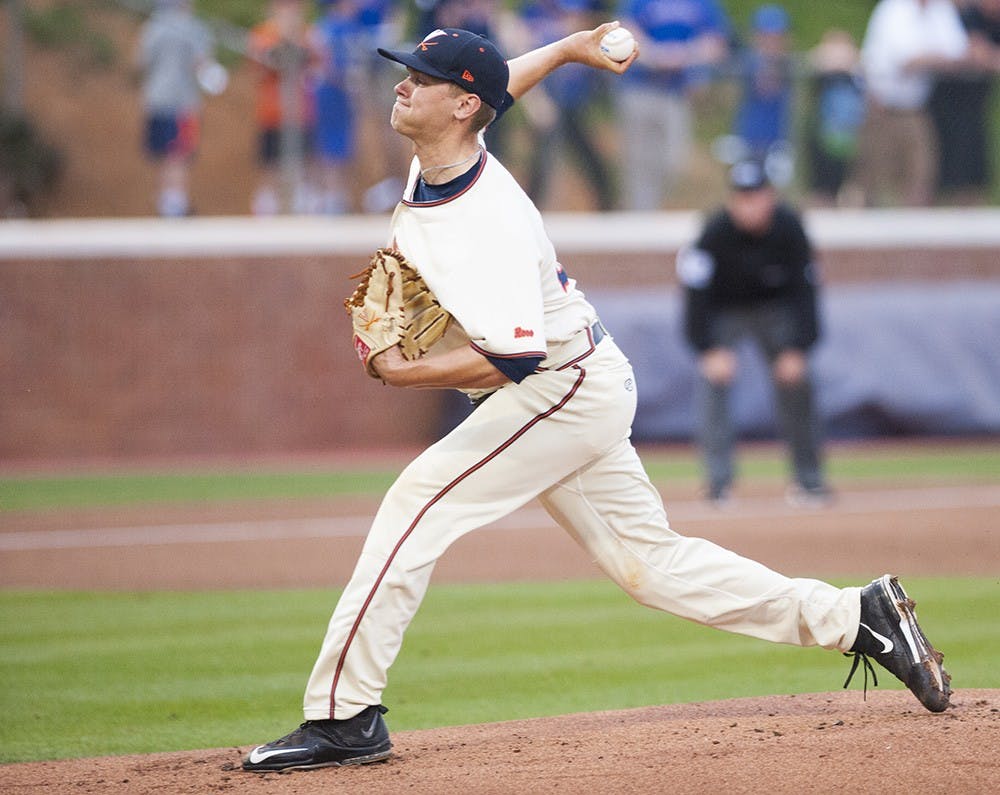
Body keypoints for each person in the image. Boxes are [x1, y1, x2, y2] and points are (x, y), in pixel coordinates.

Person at [241, 23, 951, 774]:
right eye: (406, 71)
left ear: (459, 106)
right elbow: (501, 79)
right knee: (652, 566)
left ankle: (344, 716)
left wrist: (394, 370)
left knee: (416, 504)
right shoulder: (453, 138)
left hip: (557, 384)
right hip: (582, 377)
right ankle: (857, 616)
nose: (402, 83)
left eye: (420, 75)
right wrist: (574, 45)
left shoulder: (488, 221)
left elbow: (514, 359)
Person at [677, 159, 828, 506]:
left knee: (799, 381)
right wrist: (707, 348)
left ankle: (809, 480)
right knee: (713, 381)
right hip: (725, 312)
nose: (750, 205)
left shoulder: (790, 229)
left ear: (770, 197)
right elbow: (694, 296)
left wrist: (798, 348)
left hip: (777, 311)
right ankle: (718, 483)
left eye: (756, 195)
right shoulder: (712, 234)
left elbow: (807, 293)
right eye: (742, 197)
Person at [616, 0, 731, 209]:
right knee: (640, 163)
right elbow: (624, 32)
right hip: (640, 89)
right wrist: (656, 56)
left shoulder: (702, 4)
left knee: (674, 162)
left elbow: (716, 42)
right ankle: (640, 222)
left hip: (677, 94)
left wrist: (685, 55)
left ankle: (656, 212)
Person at [855, 0, 970, 207]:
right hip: (883, 109)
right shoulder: (892, 9)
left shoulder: (940, 9)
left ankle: (915, 235)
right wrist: (938, 58)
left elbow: (959, 52)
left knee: (922, 176)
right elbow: (905, 59)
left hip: (917, 110)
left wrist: (927, 59)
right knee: (880, 179)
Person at [135, 0, 216, 217]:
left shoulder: (152, 27)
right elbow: (202, 65)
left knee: (164, 155)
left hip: (155, 100)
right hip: (182, 103)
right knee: (178, 154)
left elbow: (141, 63)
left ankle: (166, 204)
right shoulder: (194, 28)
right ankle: (175, 206)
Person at [928, 0, 1000, 205]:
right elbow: (974, 53)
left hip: (976, 110)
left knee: (975, 178)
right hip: (948, 107)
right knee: (946, 176)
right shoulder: (968, 16)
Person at [247, 0, 315, 215]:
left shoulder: (307, 33)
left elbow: (315, 61)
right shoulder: (263, 34)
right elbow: (266, 61)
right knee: (270, 165)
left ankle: (302, 208)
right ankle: (267, 211)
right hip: (272, 112)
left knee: (302, 165)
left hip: (301, 112)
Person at [308, 0, 364, 214]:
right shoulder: (328, 28)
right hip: (329, 93)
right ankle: (326, 196)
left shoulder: (351, 27)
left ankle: (337, 195)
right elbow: (324, 63)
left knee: (344, 145)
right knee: (327, 145)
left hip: (344, 94)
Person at [730, 5, 795, 186]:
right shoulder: (746, 64)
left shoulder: (791, 65)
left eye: (777, 37)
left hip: (779, 144)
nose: (772, 42)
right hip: (747, 143)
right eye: (766, 36)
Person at [804, 29, 866, 207]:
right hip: (824, 139)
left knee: (851, 188)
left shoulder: (857, 77)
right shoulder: (821, 77)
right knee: (822, 189)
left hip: (852, 139)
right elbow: (813, 61)